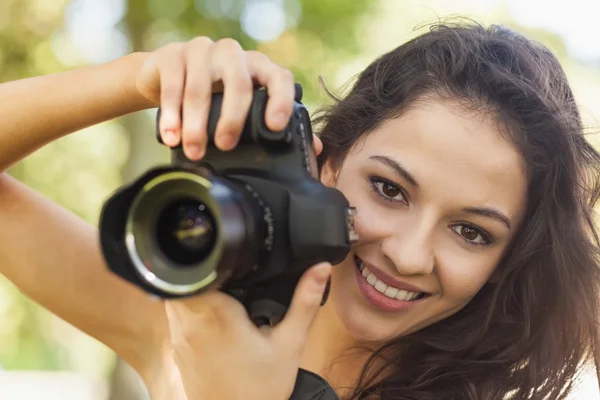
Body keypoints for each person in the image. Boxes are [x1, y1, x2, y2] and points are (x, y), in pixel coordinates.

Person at [0, 19, 599, 399]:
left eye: (471, 231)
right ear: (327, 165)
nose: (409, 254)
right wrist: (138, 80)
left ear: (507, 258)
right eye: (390, 190)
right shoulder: (195, 326)